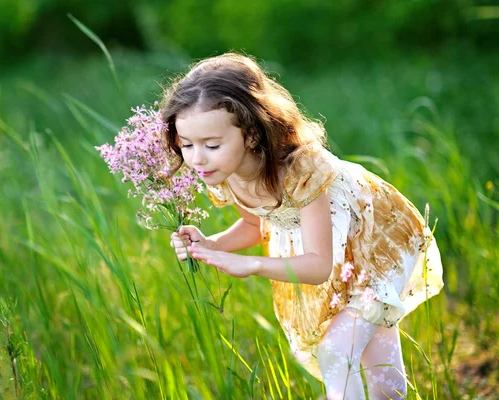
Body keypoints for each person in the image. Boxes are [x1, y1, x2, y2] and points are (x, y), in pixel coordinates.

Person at [161, 52, 444, 399]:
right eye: (186, 145)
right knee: (375, 363)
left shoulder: (302, 170)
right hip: (333, 251)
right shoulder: (222, 171)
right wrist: (213, 244)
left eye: (212, 145)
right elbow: (257, 223)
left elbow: (318, 266)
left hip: (373, 239)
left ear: (250, 135)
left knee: (338, 350)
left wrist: (251, 265)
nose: (196, 158)